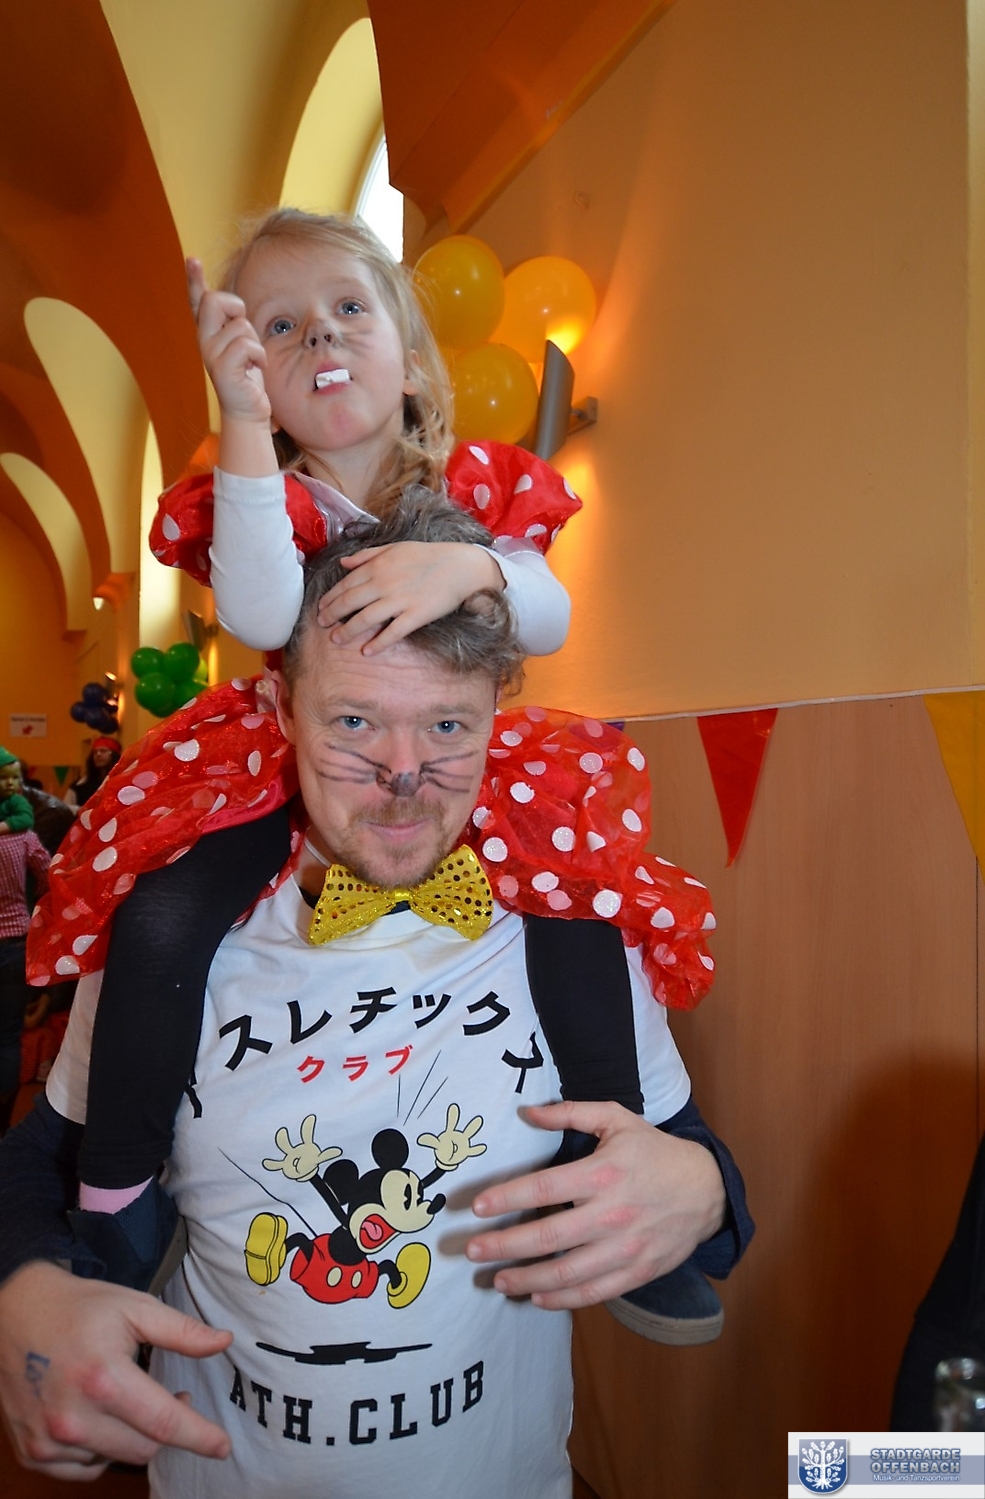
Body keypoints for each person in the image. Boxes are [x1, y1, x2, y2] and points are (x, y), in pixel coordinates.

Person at [26, 210, 719, 1307]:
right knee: (159, 920)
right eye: (280, 326)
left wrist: (474, 571)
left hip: (455, 745)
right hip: (280, 750)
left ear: (411, 357)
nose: (319, 337)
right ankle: (118, 1194)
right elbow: (260, 607)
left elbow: (547, 612)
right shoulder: (263, 496)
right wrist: (241, 421)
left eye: (349, 308)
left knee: (578, 910)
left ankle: (614, 1173)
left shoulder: (482, 486)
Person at [0, 497, 751, 1495]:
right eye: (354, 721)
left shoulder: (566, 937)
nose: (404, 774)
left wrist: (703, 1189)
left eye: (447, 725)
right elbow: (35, 1164)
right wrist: (23, 1287)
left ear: (497, 715)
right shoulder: (168, 947)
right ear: (282, 710)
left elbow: (685, 1158)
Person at [0, 810, 49, 1133]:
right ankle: (3, 1123)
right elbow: (49, 874)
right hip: (15, 943)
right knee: (7, 1037)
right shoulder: (24, 838)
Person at [62, 735, 122, 812]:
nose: (98, 754)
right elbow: (66, 808)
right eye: (95, 752)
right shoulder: (79, 786)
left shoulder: (121, 782)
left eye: (103, 751)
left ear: (113, 755)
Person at [0, 747, 34, 834]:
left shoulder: (16, 801)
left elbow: (26, 819)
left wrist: (3, 826)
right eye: (3, 778)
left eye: (15, 777)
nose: (10, 783)